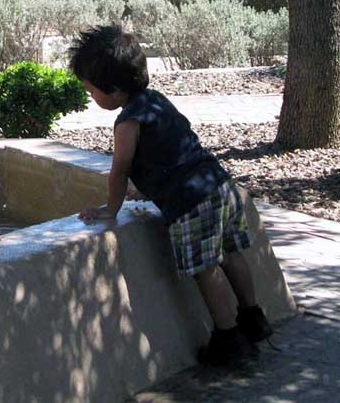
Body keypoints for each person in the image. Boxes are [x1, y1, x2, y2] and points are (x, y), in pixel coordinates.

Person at [68, 24, 273, 366]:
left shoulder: (127, 123)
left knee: (206, 270)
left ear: (115, 90)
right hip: (220, 185)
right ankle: (254, 318)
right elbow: (169, 152)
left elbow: (119, 169)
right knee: (232, 252)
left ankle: (229, 339)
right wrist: (146, 188)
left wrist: (111, 209)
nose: (92, 98)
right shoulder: (156, 101)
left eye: (91, 92)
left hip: (191, 204)